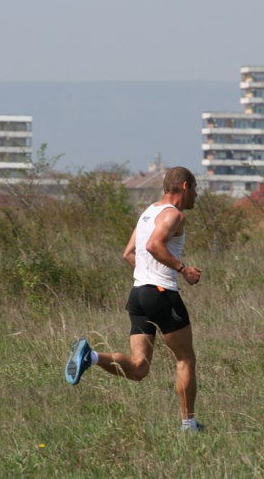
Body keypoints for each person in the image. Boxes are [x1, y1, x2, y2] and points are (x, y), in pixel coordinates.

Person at [64, 166, 203, 432]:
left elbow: (129, 253)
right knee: (185, 359)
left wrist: (146, 277)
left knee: (139, 369)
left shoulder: (147, 213)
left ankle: (90, 356)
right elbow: (153, 245)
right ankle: (189, 425)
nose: (196, 195)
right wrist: (183, 270)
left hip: (139, 294)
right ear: (185, 187)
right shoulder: (174, 215)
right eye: (195, 189)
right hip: (162, 294)